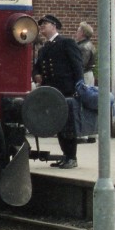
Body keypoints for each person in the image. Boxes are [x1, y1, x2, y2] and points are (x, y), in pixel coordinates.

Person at [32, 14, 83, 169]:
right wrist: (36, 75)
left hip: (66, 90)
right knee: (59, 125)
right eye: (41, 26)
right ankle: (66, 155)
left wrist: (78, 86)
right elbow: (36, 67)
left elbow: (77, 66)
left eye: (45, 25)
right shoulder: (44, 48)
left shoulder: (66, 43)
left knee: (68, 125)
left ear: (54, 26)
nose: (42, 28)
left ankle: (72, 157)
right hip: (51, 92)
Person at [76, 22, 96, 87]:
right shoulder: (88, 45)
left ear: (82, 33)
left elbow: (82, 64)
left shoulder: (84, 47)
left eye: (78, 31)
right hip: (87, 74)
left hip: (85, 76)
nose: (76, 33)